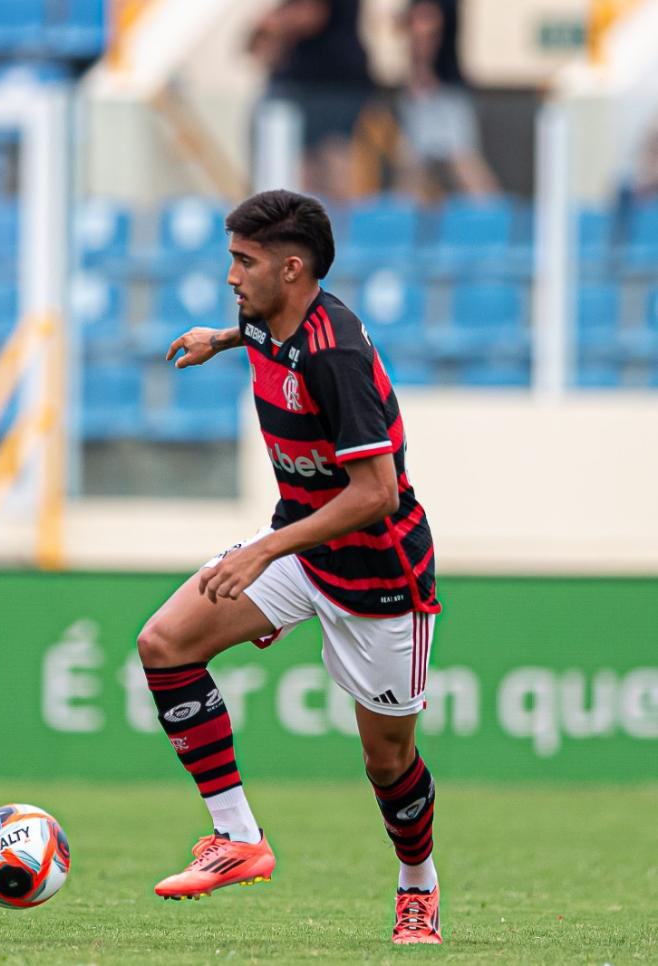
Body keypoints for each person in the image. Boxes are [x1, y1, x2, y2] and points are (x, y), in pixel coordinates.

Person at [148, 190, 442, 944]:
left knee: (388, 761)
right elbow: (256, 333)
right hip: (303, 547)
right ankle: (238, 839)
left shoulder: (334, 353)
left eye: (242, 263)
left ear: (291, 268)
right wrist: (220, 338)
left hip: (379, 574)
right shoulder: (269, 320)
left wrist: (265, 550)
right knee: (166, 645)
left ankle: (418, 884)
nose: (230, 277)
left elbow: (376, 494)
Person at [249, 0, 373, 202]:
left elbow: (311, 16)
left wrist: (276, 22)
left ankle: (331, 227)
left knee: (331, 162)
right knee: (308, 168)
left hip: (330, 85)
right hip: (315, 83)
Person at [396, 0, 498, 198]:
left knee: (460, 160)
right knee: (414, 166)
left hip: (434, 90)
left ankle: (493, 220)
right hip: (442, 87)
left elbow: (424, 26)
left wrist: (421, 71)